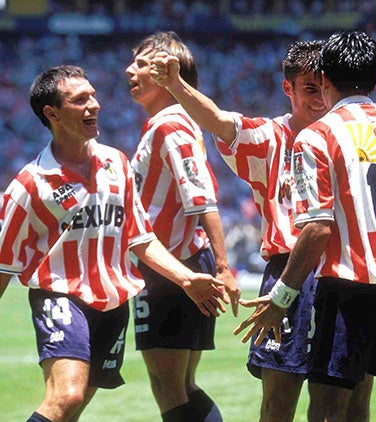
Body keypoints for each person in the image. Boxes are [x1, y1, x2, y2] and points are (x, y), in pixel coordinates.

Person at [151, 40, 376, 421]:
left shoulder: (353, 133)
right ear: (289, 89)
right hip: (295, 266)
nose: (318, 98)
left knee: (349, 403)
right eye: (308, 89)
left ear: (333, 81)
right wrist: (177, 87)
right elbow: (217, 119)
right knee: (281, 397)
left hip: (350, 274)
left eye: (322, 86)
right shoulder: (270, 136)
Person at [232, 30, 376, 422]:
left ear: (328, 80)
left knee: (329, 408)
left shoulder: (316, 137)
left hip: (351, 288)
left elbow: (317, 228)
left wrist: (281, 298)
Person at [0, 65, 228, 422]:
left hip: (113, 303)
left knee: (71, 410)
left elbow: (140, 238)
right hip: (61, 296)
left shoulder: (116, 163)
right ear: (52, 113)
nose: (94, 105)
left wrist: (186, 279)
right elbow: (3, 264)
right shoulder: (30, 185)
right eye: (80, 100)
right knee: (67, 396)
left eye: (92, 95)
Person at [125, 31, 240, 422]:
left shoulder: (171, 124)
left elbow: (202, 196)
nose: (130, 69)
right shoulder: (167, 123)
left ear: (165, 73)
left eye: (142, 63)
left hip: (174, 270)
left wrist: (224, 268)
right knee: (180, 385)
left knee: (169, 384)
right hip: (177, 267)